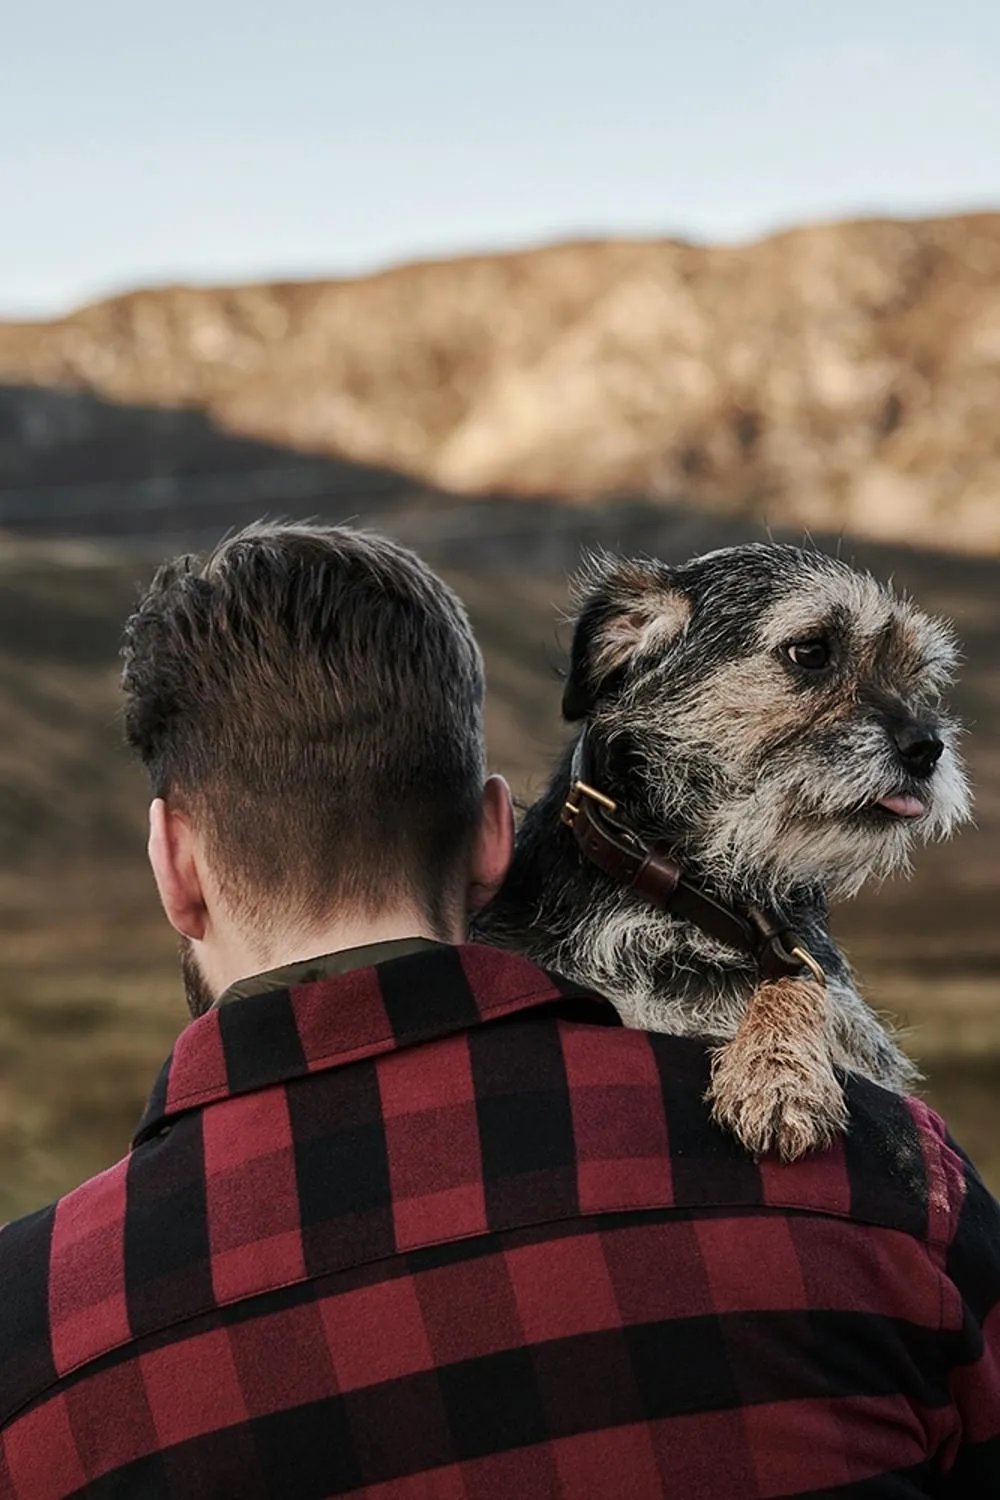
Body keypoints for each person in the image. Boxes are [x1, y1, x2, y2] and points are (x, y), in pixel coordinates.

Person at [0, 520, 998, 1500]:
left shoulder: (29, 1328)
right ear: (492, 836)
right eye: (813, 658)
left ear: (172, 865)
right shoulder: (896, 1190)